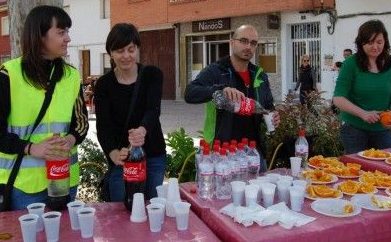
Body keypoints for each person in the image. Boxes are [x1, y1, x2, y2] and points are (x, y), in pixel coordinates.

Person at [0, 5, 88, 210]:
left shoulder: (71, 75)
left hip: (64, 179)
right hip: (24, 187)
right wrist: (31, 148)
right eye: (61, 32)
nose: (68, 38)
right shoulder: (8, 75)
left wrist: (70, 139)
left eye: (67, 31)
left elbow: (81, 123)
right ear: (40, 36)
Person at [184, 25, 279, 172]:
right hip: (222, 152)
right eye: (244, 41)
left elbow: (267, 105)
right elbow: (189, 93)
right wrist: (218, 91)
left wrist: (274, 115)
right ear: (232, 42)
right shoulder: (216, 70)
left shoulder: (259, 74)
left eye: (253, 43)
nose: (249, 46)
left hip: (253, 152)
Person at [94, 23, 166, 201]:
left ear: (138, 49)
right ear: (110, 52)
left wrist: (142, 130)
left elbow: (153, 109)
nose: (126, 56)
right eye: (119, 51)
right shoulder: (103, 84)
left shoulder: (152, 74)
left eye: (131, 49)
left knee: (152, 207)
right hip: (122, 159)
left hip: (153, 156)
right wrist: (112, 153)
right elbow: (103, 125)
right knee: (122, 213)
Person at [333, 20, 391, 154]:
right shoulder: (350, 63)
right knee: (359, 169)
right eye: (370, 42)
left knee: (386, 167)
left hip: (382, 129)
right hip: (354, 128)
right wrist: (363, 114)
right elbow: (338, 98)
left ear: (385, 42)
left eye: (379, 42)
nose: (375, 47)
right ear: (361, 43)